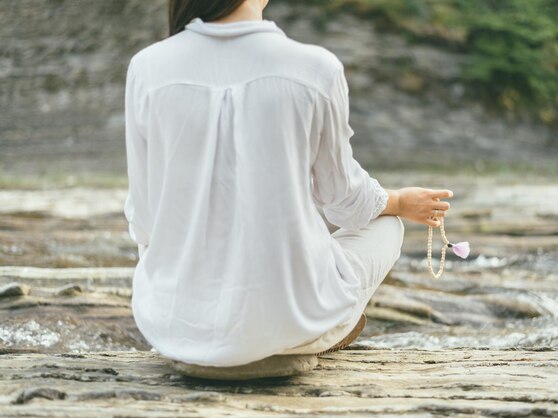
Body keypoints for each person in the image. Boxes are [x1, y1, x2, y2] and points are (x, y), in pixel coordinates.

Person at [124, 0, 453, 368]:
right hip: (292, 326)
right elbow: (346, 203)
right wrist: (399, 202)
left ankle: (221, 334)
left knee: (155, 239)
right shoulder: (316, 68)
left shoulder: (147, 68)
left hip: (179, 332)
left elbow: (143, 218)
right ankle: (316, 330)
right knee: (386, 224)